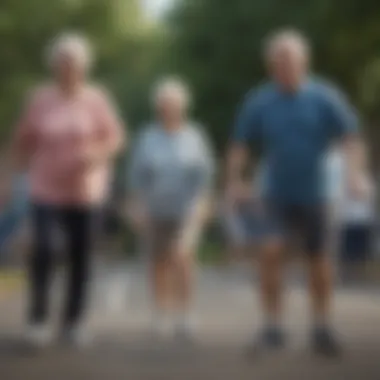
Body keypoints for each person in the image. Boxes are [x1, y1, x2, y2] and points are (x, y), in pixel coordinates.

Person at [226, 29, 364, 357]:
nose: (284, 66)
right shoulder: (260, 101)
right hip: (275, 193)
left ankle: (321, 326)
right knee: (270, 252)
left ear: (304, 62)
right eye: (278, 61)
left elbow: (351, 138)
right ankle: (273, 326)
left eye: (289, 60)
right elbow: (239, 145)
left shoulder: (325, 97)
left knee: (319, 262)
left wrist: (354, 175)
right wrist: (234, 179)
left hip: (318, 192)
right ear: (270, 66)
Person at [5, 33, 126, 347]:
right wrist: (7, 181)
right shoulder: (40, 99)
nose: (69, 69)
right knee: (43, 249)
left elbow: (116, 139)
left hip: (86, 191)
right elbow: (22, 141)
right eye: (63, 63)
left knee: (80, 256)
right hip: (45, 188)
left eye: (74, 64)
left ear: (85, 67)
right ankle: (38, 319)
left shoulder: (97, 99)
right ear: (54, 67)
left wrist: (98, 154)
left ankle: (74, 322)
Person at [128, 78, 214, 340]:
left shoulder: (195, 136)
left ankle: (186, 313)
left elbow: (205, 177)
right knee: (158, 263)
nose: (168, 109)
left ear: (183, 108)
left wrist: (203, 205)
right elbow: (136, 176)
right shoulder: (147, 137)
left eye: (174, 105)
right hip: (154, 209)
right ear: (158, 108)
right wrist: (136, 206)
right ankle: (161, 312)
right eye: (164, 105)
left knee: (182, 256)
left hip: (187, 210)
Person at [325, 142, 375, 280]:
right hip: (347, 218)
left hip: (362, 218)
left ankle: (355, 275)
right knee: (345, 250)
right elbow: (356, 191)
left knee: (359, 251)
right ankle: (343, 275)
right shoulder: (342, 169)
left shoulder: (364, 175)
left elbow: (367, 195)